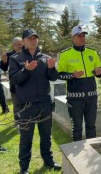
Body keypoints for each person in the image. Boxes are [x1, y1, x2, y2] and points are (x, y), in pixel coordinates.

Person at [9, 28, 61, 174]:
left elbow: (53, 77)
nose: (33, 40)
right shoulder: (16, 59)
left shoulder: (45, 58)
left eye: (35, 38)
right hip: (26, 105)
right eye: (30, 38)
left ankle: (48, 160)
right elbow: (14, 80)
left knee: (46, 135)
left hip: (44, 103)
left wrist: (52, 68)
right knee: (26, 138)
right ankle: (24, 168)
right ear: (24, 41)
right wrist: (26, 70)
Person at [58, 25, 101, 142]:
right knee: (77, 128)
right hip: (75, 99)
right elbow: (60, 75)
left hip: (92, 97)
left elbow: (98, 72)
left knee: (91, 127)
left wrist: (99, 72)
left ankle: (92, 152)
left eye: (83, 35)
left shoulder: (93, 53)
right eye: (79, 36)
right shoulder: (65, 54)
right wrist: (72, 75)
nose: (82, 38)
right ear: (73, 38)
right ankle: (76, 158)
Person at [0, 37, 23, 121]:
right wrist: (4, 62)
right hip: (15, 84)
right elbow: (4, 69)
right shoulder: (9, 55)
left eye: (21, 44)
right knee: (16, 104)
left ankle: (27, 120)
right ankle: (17, 121)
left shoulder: (26, 53)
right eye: (18, 44)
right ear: (13, 45)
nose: (20, 46)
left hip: (26, 83)